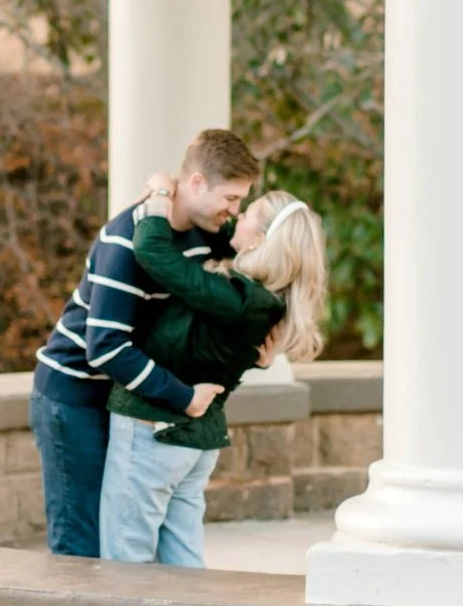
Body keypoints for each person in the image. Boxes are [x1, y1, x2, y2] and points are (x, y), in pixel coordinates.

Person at [28, 127, 259, 559]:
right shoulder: (126, 240)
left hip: (123, 395)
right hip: (74, 396)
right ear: (195, 183)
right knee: (83, 544)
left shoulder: (203, 232)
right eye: (230, 198)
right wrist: (183, 396)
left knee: (125, 541)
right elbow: (106, 347)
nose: (234, 210)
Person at [99, 190, 329, 566]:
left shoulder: (236, 298)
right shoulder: (264, 301)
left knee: (125, 563)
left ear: (261, 239)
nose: (236, 217)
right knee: (184, 564)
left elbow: (153, 251)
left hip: (154, 433)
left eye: (248, 213)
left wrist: (158, 196)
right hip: (193, 443)